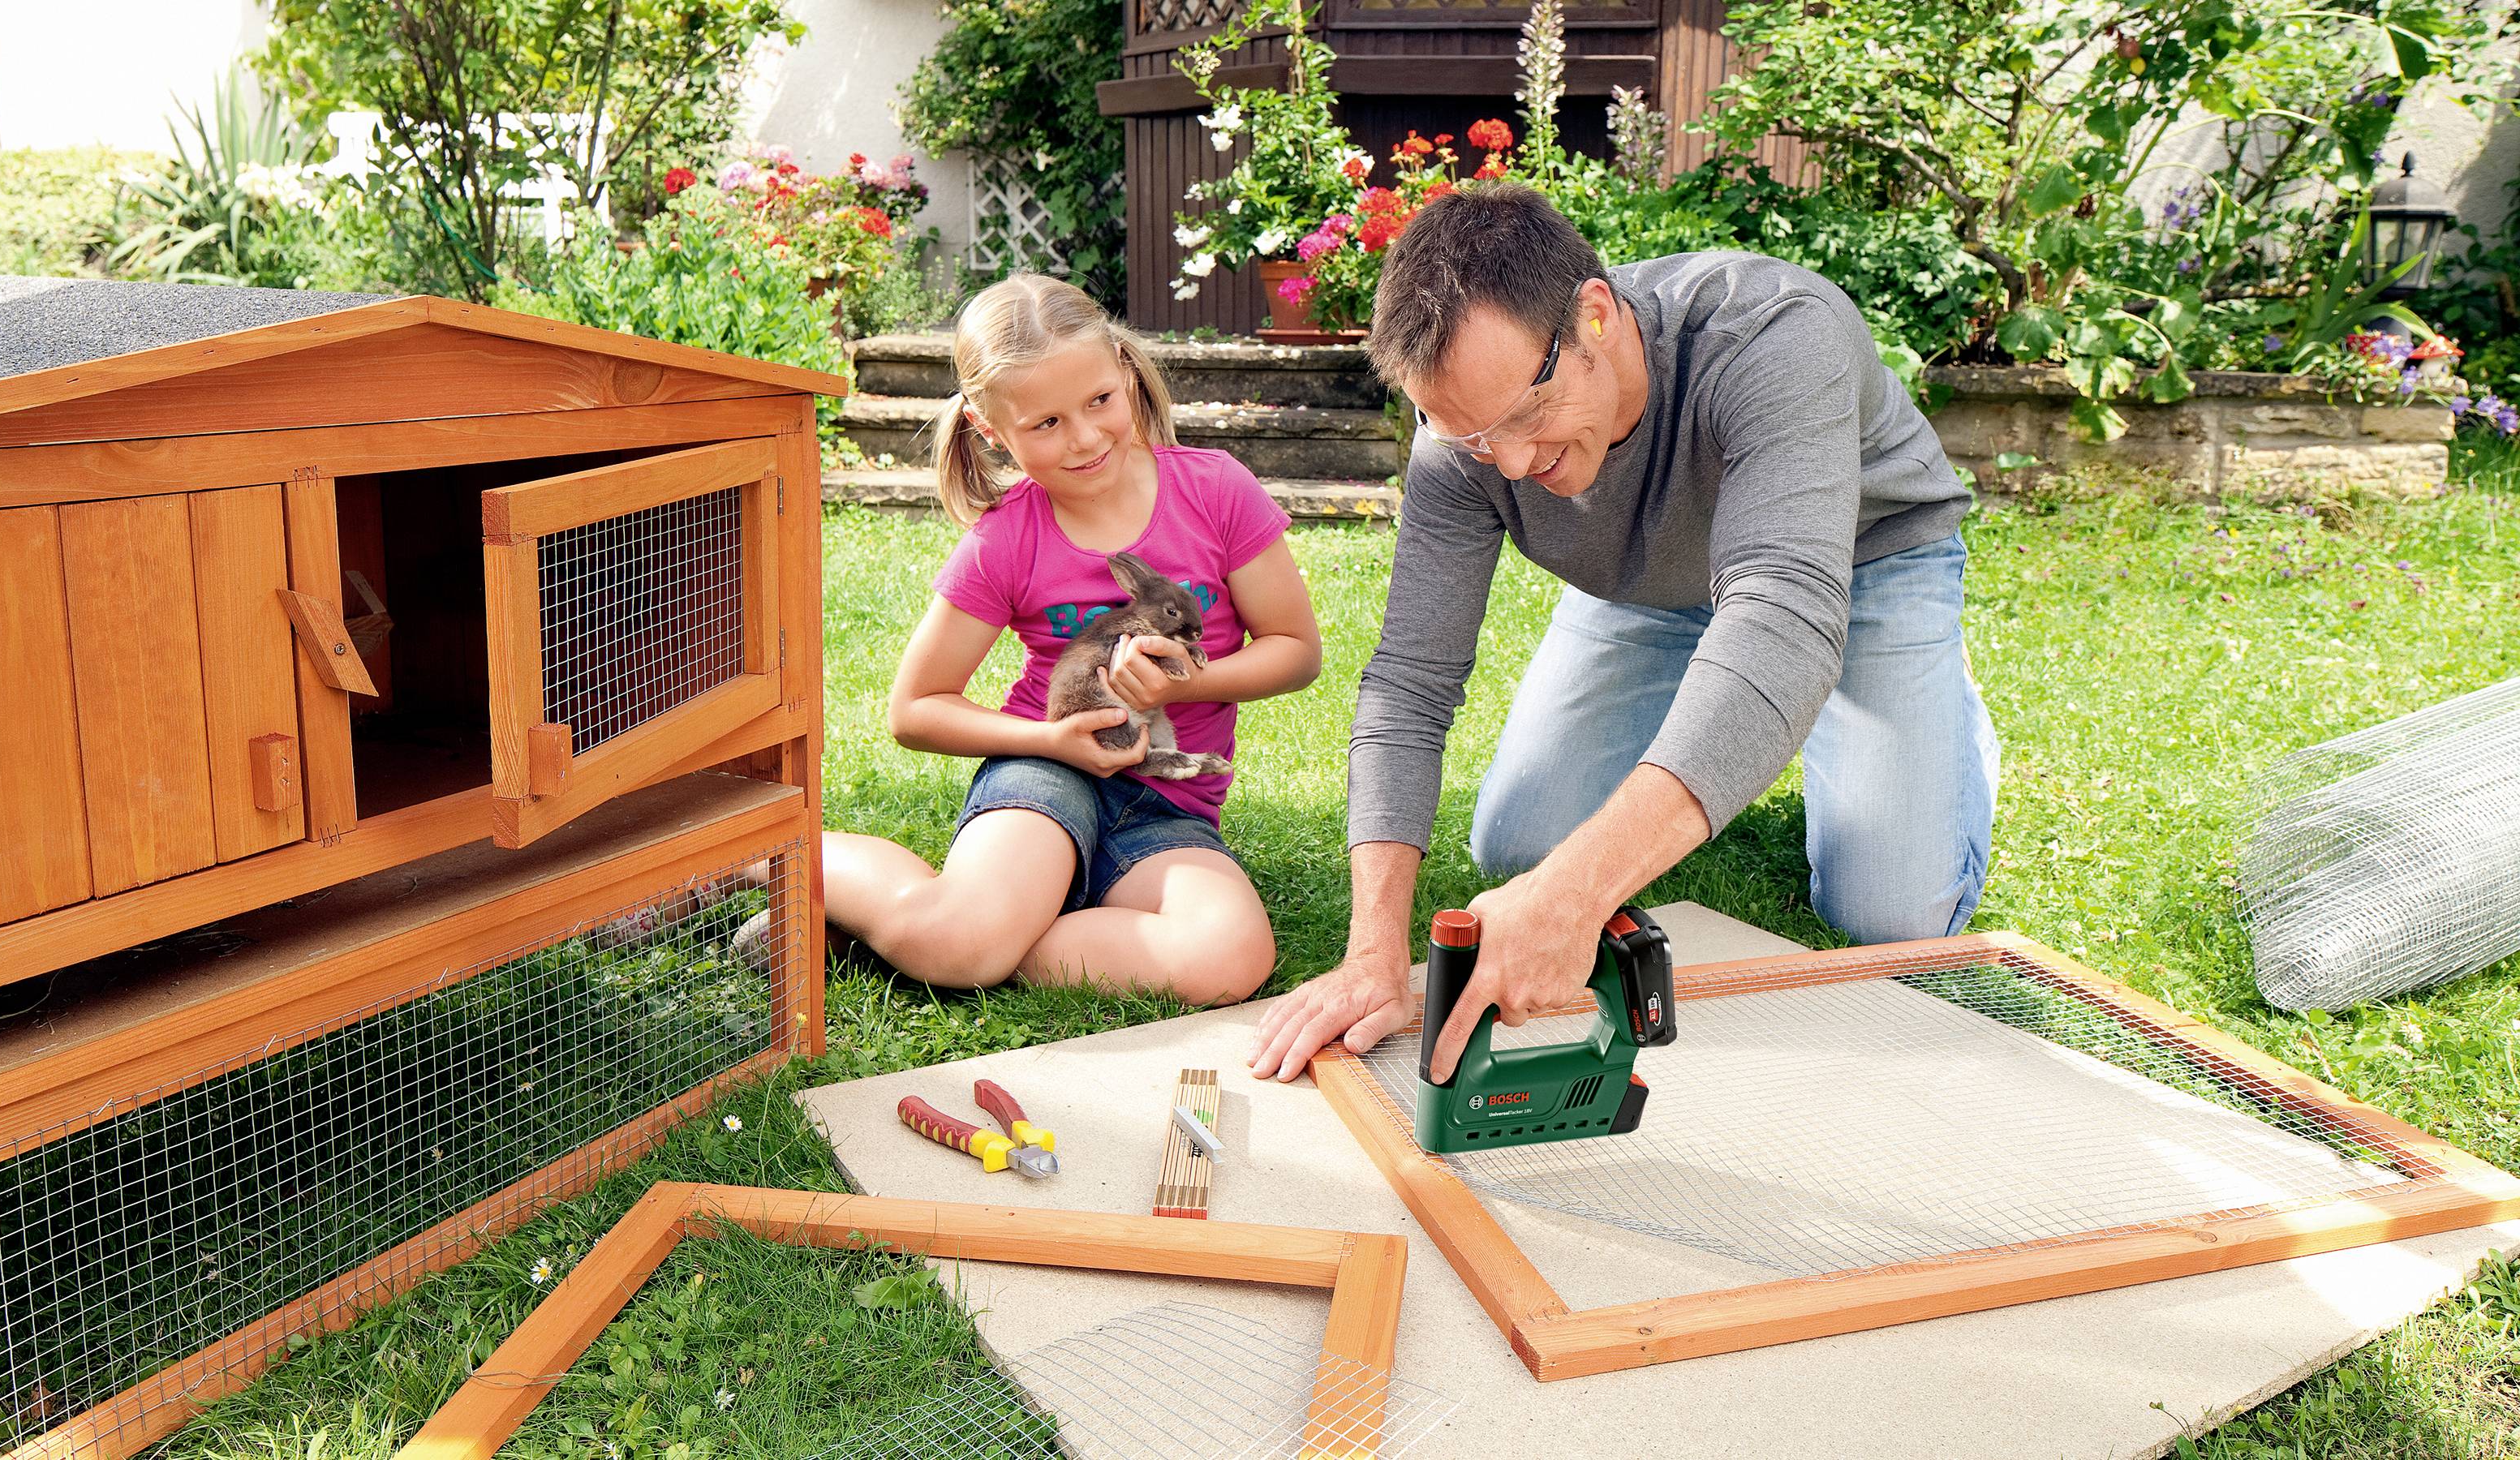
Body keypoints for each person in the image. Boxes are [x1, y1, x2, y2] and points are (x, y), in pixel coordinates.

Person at [1249, 183, 1998, 1081]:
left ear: (1594, 315)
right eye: (1480, 441)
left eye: (1527, 416)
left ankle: (1921, 710)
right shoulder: (1464, 443)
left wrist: (1573, 898)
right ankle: (1748, 722)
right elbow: (1409, 681)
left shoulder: (1775, 334)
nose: (1518, 465)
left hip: (1856, 565)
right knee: (1519, 847)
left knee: (1891, 914)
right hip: (1650, 591)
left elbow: (1779, 614)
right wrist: (1372, 950)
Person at [824, 273, 1322, 1005]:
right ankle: (769, 861)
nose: (1085, 438)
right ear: (992, 432)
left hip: (1166, 808)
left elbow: (1295, 648)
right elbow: (916, 707)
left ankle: (975, 936)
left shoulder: (1216, 492)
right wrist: (1052, 743)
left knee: (1230, 956)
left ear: (1124, 373)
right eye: (1045, 424)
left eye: (1099, 402)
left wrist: (1189, 682)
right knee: (958, 938)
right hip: (1045, 779)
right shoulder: (1007, 538)